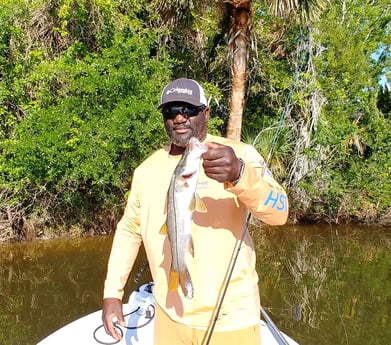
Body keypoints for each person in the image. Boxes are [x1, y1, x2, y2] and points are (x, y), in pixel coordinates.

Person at [102, 78, 289, 345]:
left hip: (231, 319)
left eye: (188, 109)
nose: (179, 117)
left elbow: (280, 212)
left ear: (206, 113)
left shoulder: (239, 154)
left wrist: (239, 175)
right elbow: (129, 232)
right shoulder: (146, 170)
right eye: (170, 111)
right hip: (169, 316)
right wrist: (112, 293)